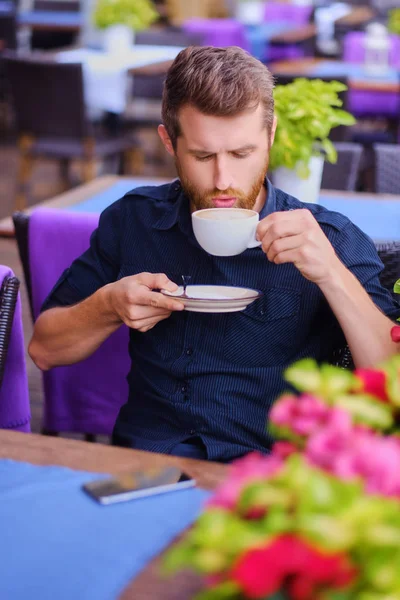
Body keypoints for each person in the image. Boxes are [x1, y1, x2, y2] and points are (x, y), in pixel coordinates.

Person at [29, 46, 400, 462]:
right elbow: (44, 349)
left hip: (269, 476)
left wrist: (332, 273)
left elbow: (392, 387)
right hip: (146, 466)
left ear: (271, 135)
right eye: (203, 156)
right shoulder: (132, 220)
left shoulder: (328, 237)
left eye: (242, 154)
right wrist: (108, 305)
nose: (224, 180)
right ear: (169, 142)